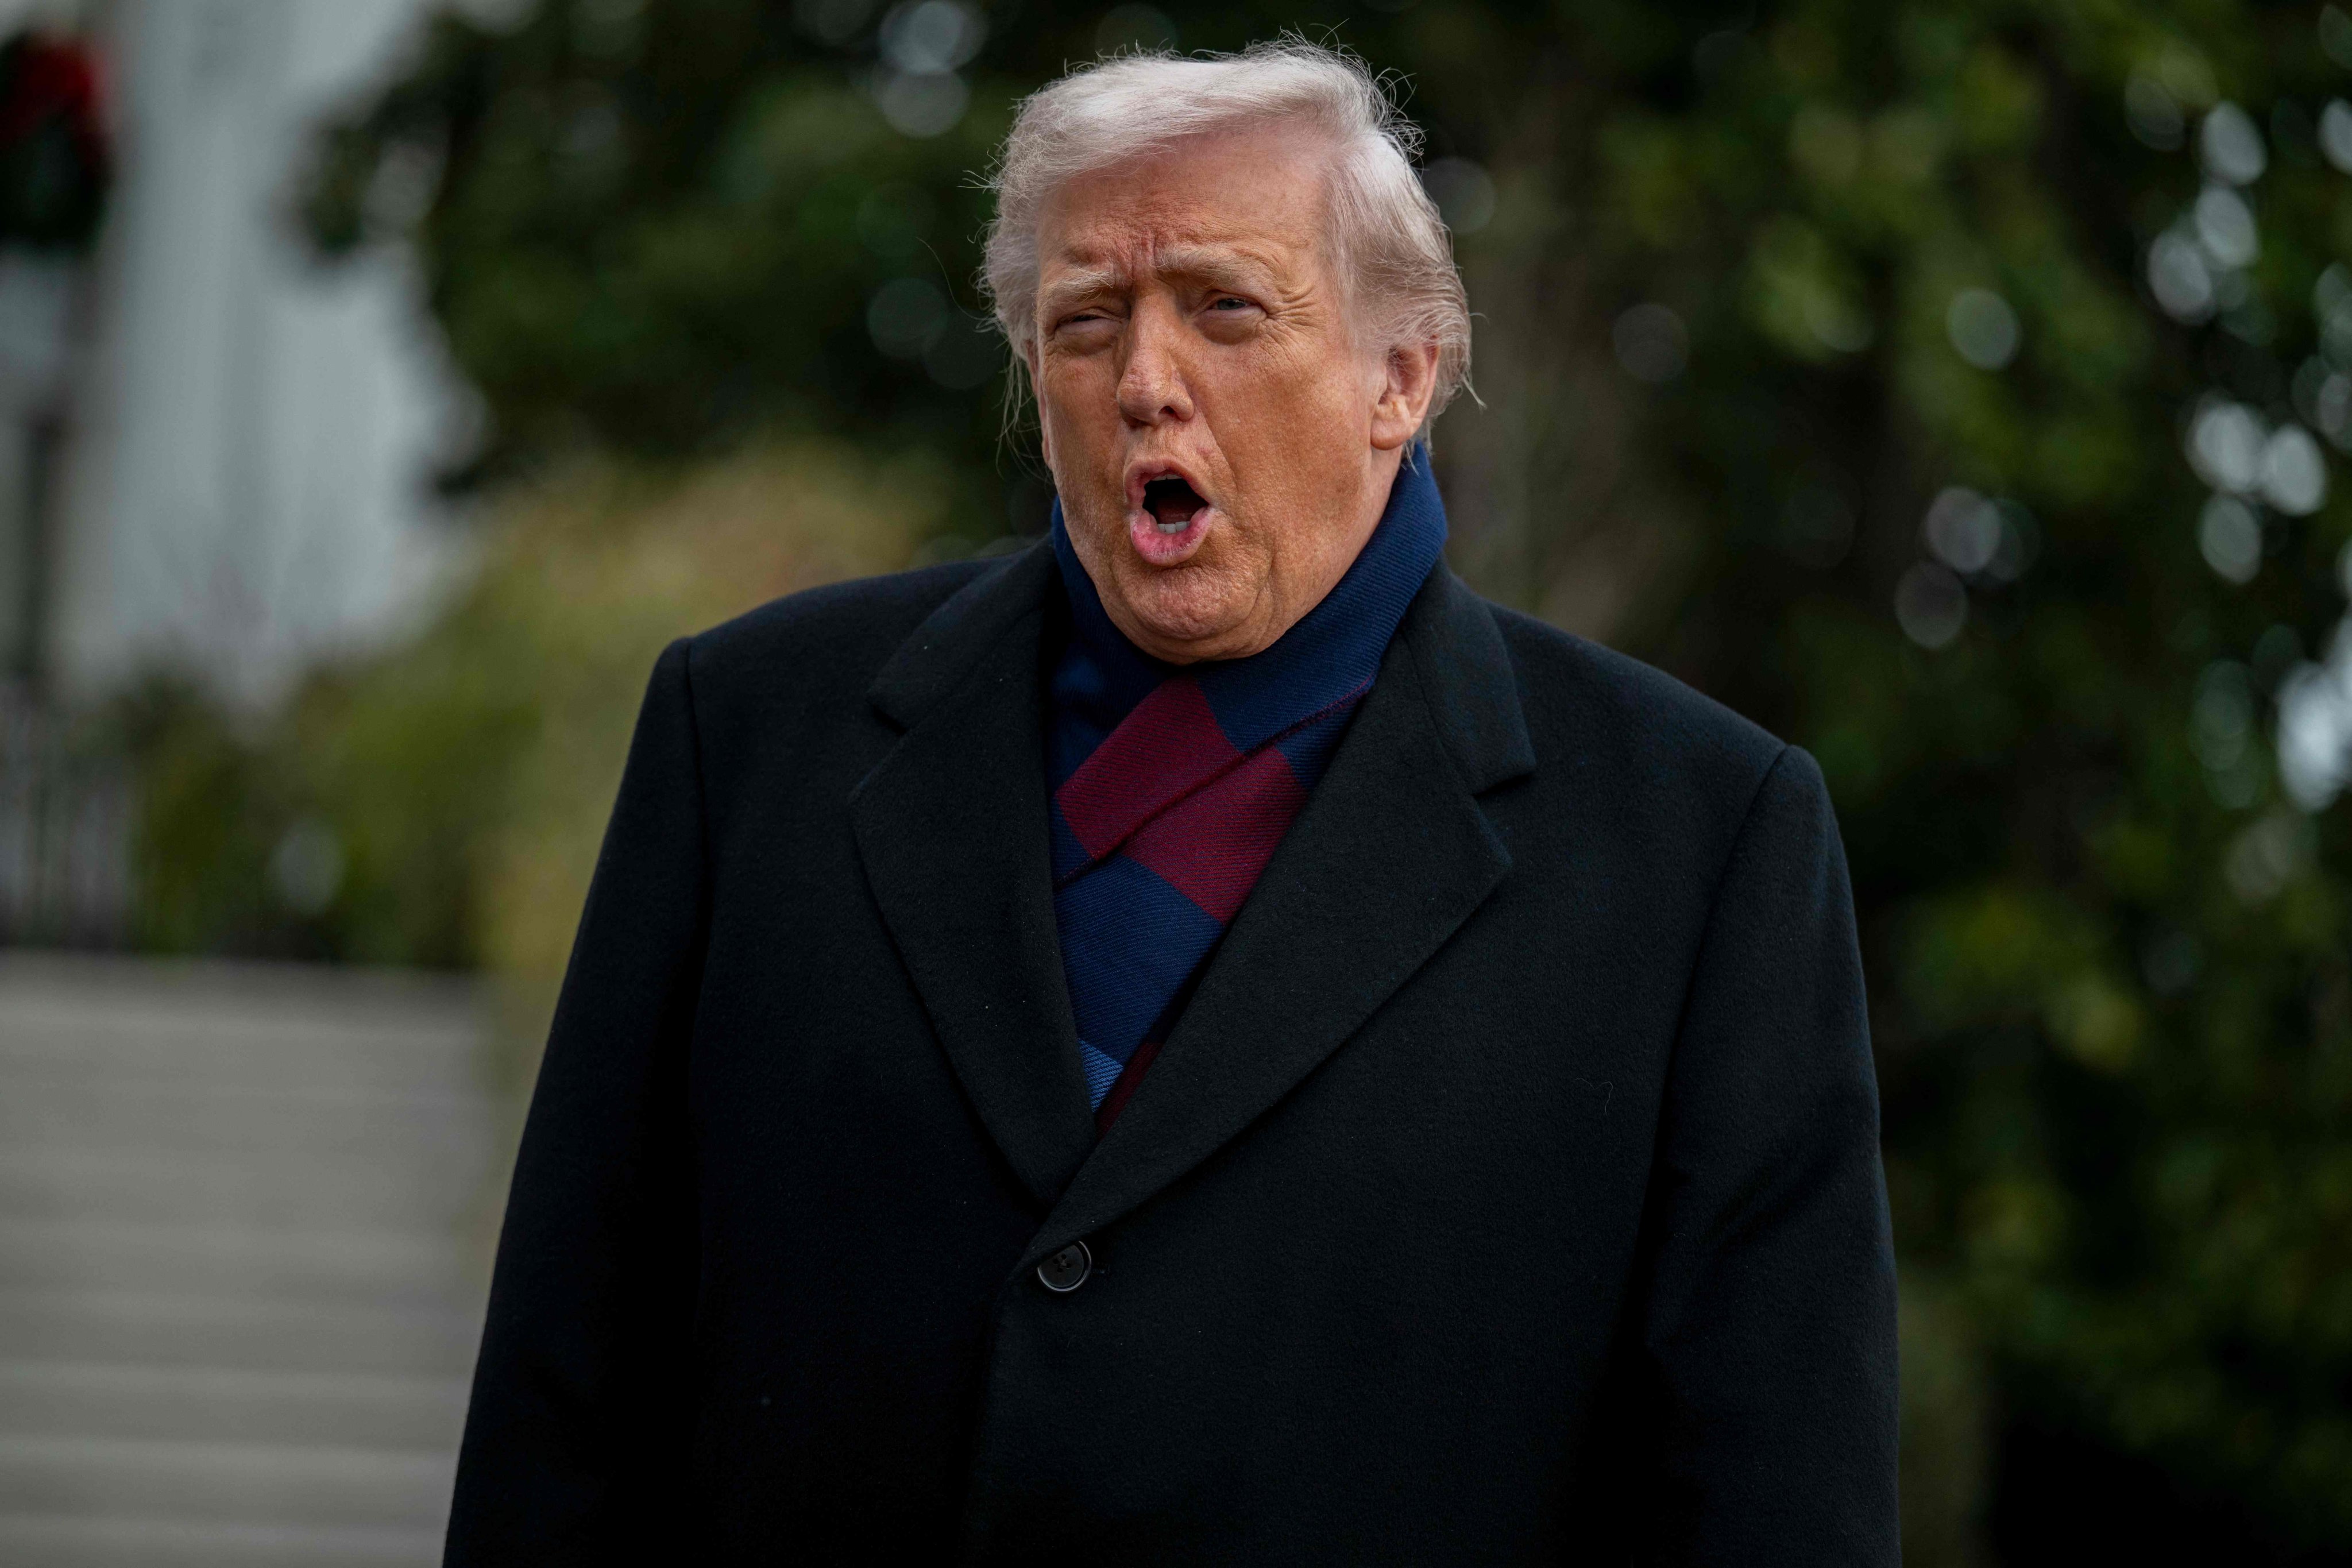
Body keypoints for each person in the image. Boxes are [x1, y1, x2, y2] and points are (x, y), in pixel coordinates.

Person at [442, 41, 1898, 1566]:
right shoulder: (744, 739)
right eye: (1085, 322)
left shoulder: (1705, 843)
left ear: (1400, 375)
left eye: (1225, 308)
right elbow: (566, 1398)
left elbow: (1775, 1503)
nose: (1146, 379)